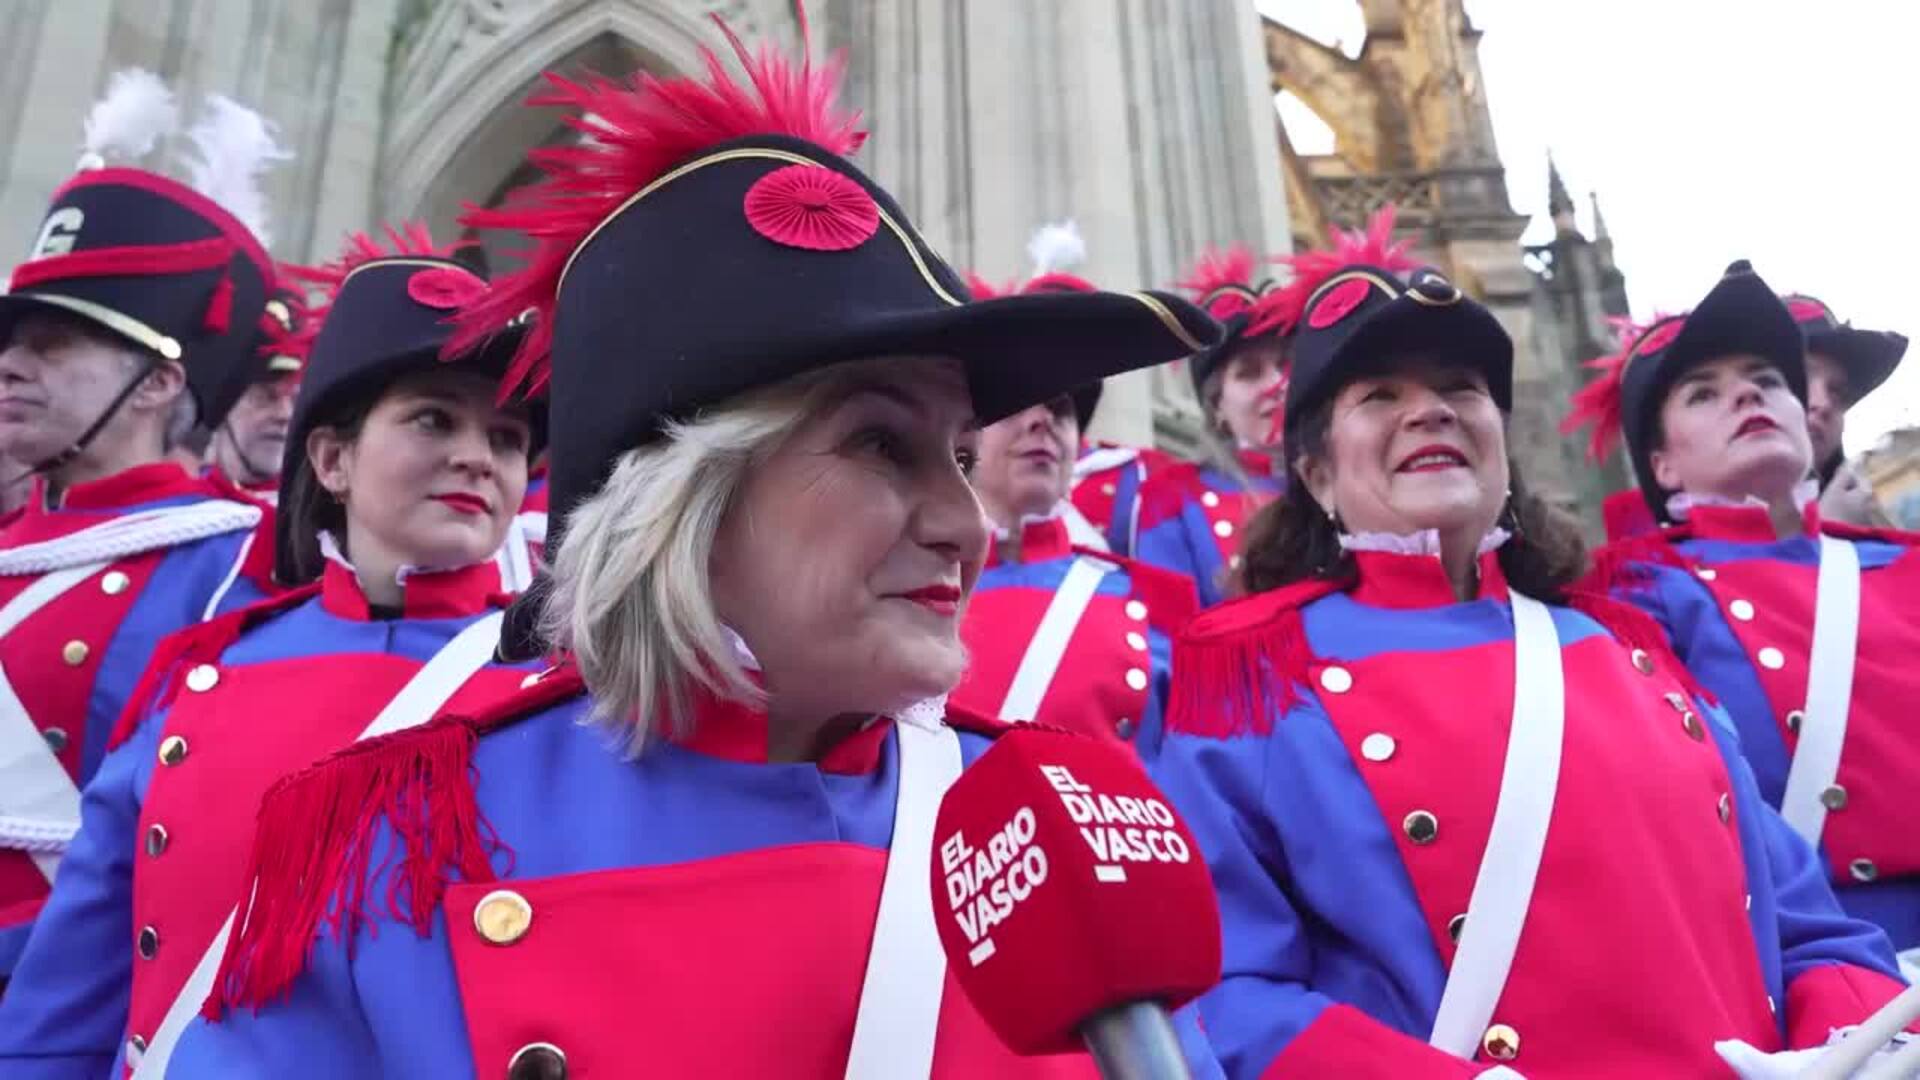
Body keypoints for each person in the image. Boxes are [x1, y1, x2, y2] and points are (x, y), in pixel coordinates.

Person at [165, 20, 1223, 1075]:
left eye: (957, 451)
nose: (964, 522)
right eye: (881, 444)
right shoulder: (401, 842)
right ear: (683, 502)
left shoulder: (1068, 832)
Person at [1153, 224, 1913, 1077]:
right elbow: (1218, 992)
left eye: (1461, 388)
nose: (1431, 408)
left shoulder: (1629, 649)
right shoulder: (1250, 684)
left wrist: (1857, 1046)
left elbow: (1810, 927)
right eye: (1378, 395)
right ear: (1317, 473)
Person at [0, 225, 544, 1074]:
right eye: (434, 419)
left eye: (508, 438)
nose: (477, 457)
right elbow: (79, 975)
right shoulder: (205, 669)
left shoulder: (559, 685)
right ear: (331, 459)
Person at [0, 73, 283, 982]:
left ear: (159, 381)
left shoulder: (241, 559)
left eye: (52, 346)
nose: (9, 366)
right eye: (9, 343)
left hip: (71, 987)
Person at [1571, 263, 1920, 965]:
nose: (1746, 396)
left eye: (1766, 381)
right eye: (1704, 393)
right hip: (1819, 962)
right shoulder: (1631, 598)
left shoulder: (1902, 563)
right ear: (1663, 465)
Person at [952, 381, 1196, 751]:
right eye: (1015, 404)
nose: (1042, 420)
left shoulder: (1150, 600)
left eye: (1060, 410)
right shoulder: (910, 587)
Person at [1131, 238, 1297, 605]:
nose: (1276, 385)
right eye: (1249, 373)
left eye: (1285, 365)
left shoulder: (1349, 482)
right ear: (1216, 407)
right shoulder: (1172, 498)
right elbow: (1167, 633)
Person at [1785, 294, 1906, 525]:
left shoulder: (1890, 527)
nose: (1823, 404)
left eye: (1837, 392)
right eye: (1798, 378)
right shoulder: (1696, 532)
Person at [204, 281, 305, 498]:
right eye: (267, 396)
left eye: (296, 400)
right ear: (222, 404)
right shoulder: (174, 516)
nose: (286, 414)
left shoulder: (312, 523)